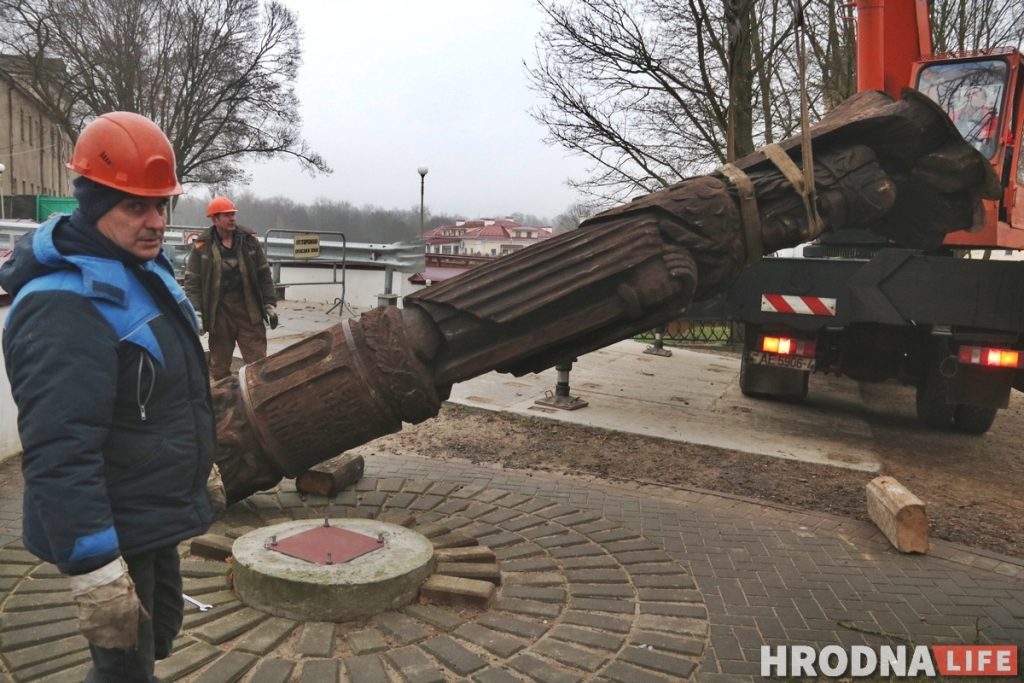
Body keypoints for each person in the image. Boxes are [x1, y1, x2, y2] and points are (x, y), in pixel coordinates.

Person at [0, 111, 216, 682]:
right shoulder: (64, 305)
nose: (156, 222)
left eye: (161, 205)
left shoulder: (134, 270)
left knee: (158, 633)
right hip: (111, 526)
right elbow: (59, 449)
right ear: (94, 207)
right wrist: (95, 568)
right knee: (124, 667)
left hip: (149, 512)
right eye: (135, 206)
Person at [184, 196, 278, 381]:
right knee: (219, 368)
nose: (232, 218)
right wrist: (197, 312)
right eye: (227, 215)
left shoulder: (249, 240)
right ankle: (224, 404)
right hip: (219, 314)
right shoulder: (202, 245)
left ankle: (260, 402)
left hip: (249, 311)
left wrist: (269, 304)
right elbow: (193, 281)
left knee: (259, 364)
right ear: (215, 219)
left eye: (233, 214)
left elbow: (263, 273)